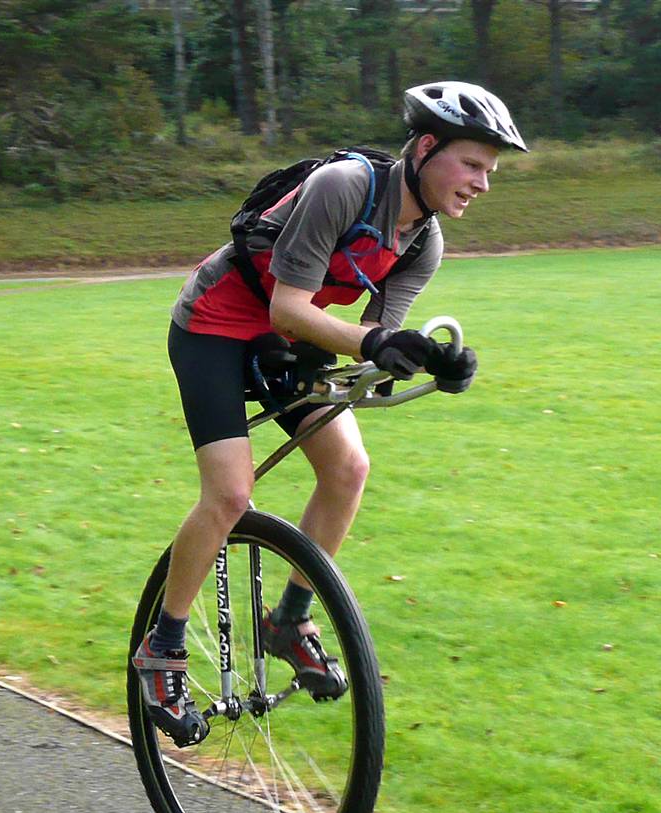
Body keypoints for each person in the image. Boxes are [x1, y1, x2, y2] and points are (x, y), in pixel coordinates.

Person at [133, 81, 528, 746]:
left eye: (489, 170)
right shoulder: (345, 186)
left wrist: (431, 361)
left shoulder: (422, 242)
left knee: (348, 468)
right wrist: (376, 344)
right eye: (471, 164)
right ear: (425, 148)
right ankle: (162, 648)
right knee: (230, 494)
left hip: (291, 337)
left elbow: (374, 346)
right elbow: (290, 306)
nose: (482, 184)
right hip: (215, 324)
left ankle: (288, 619)